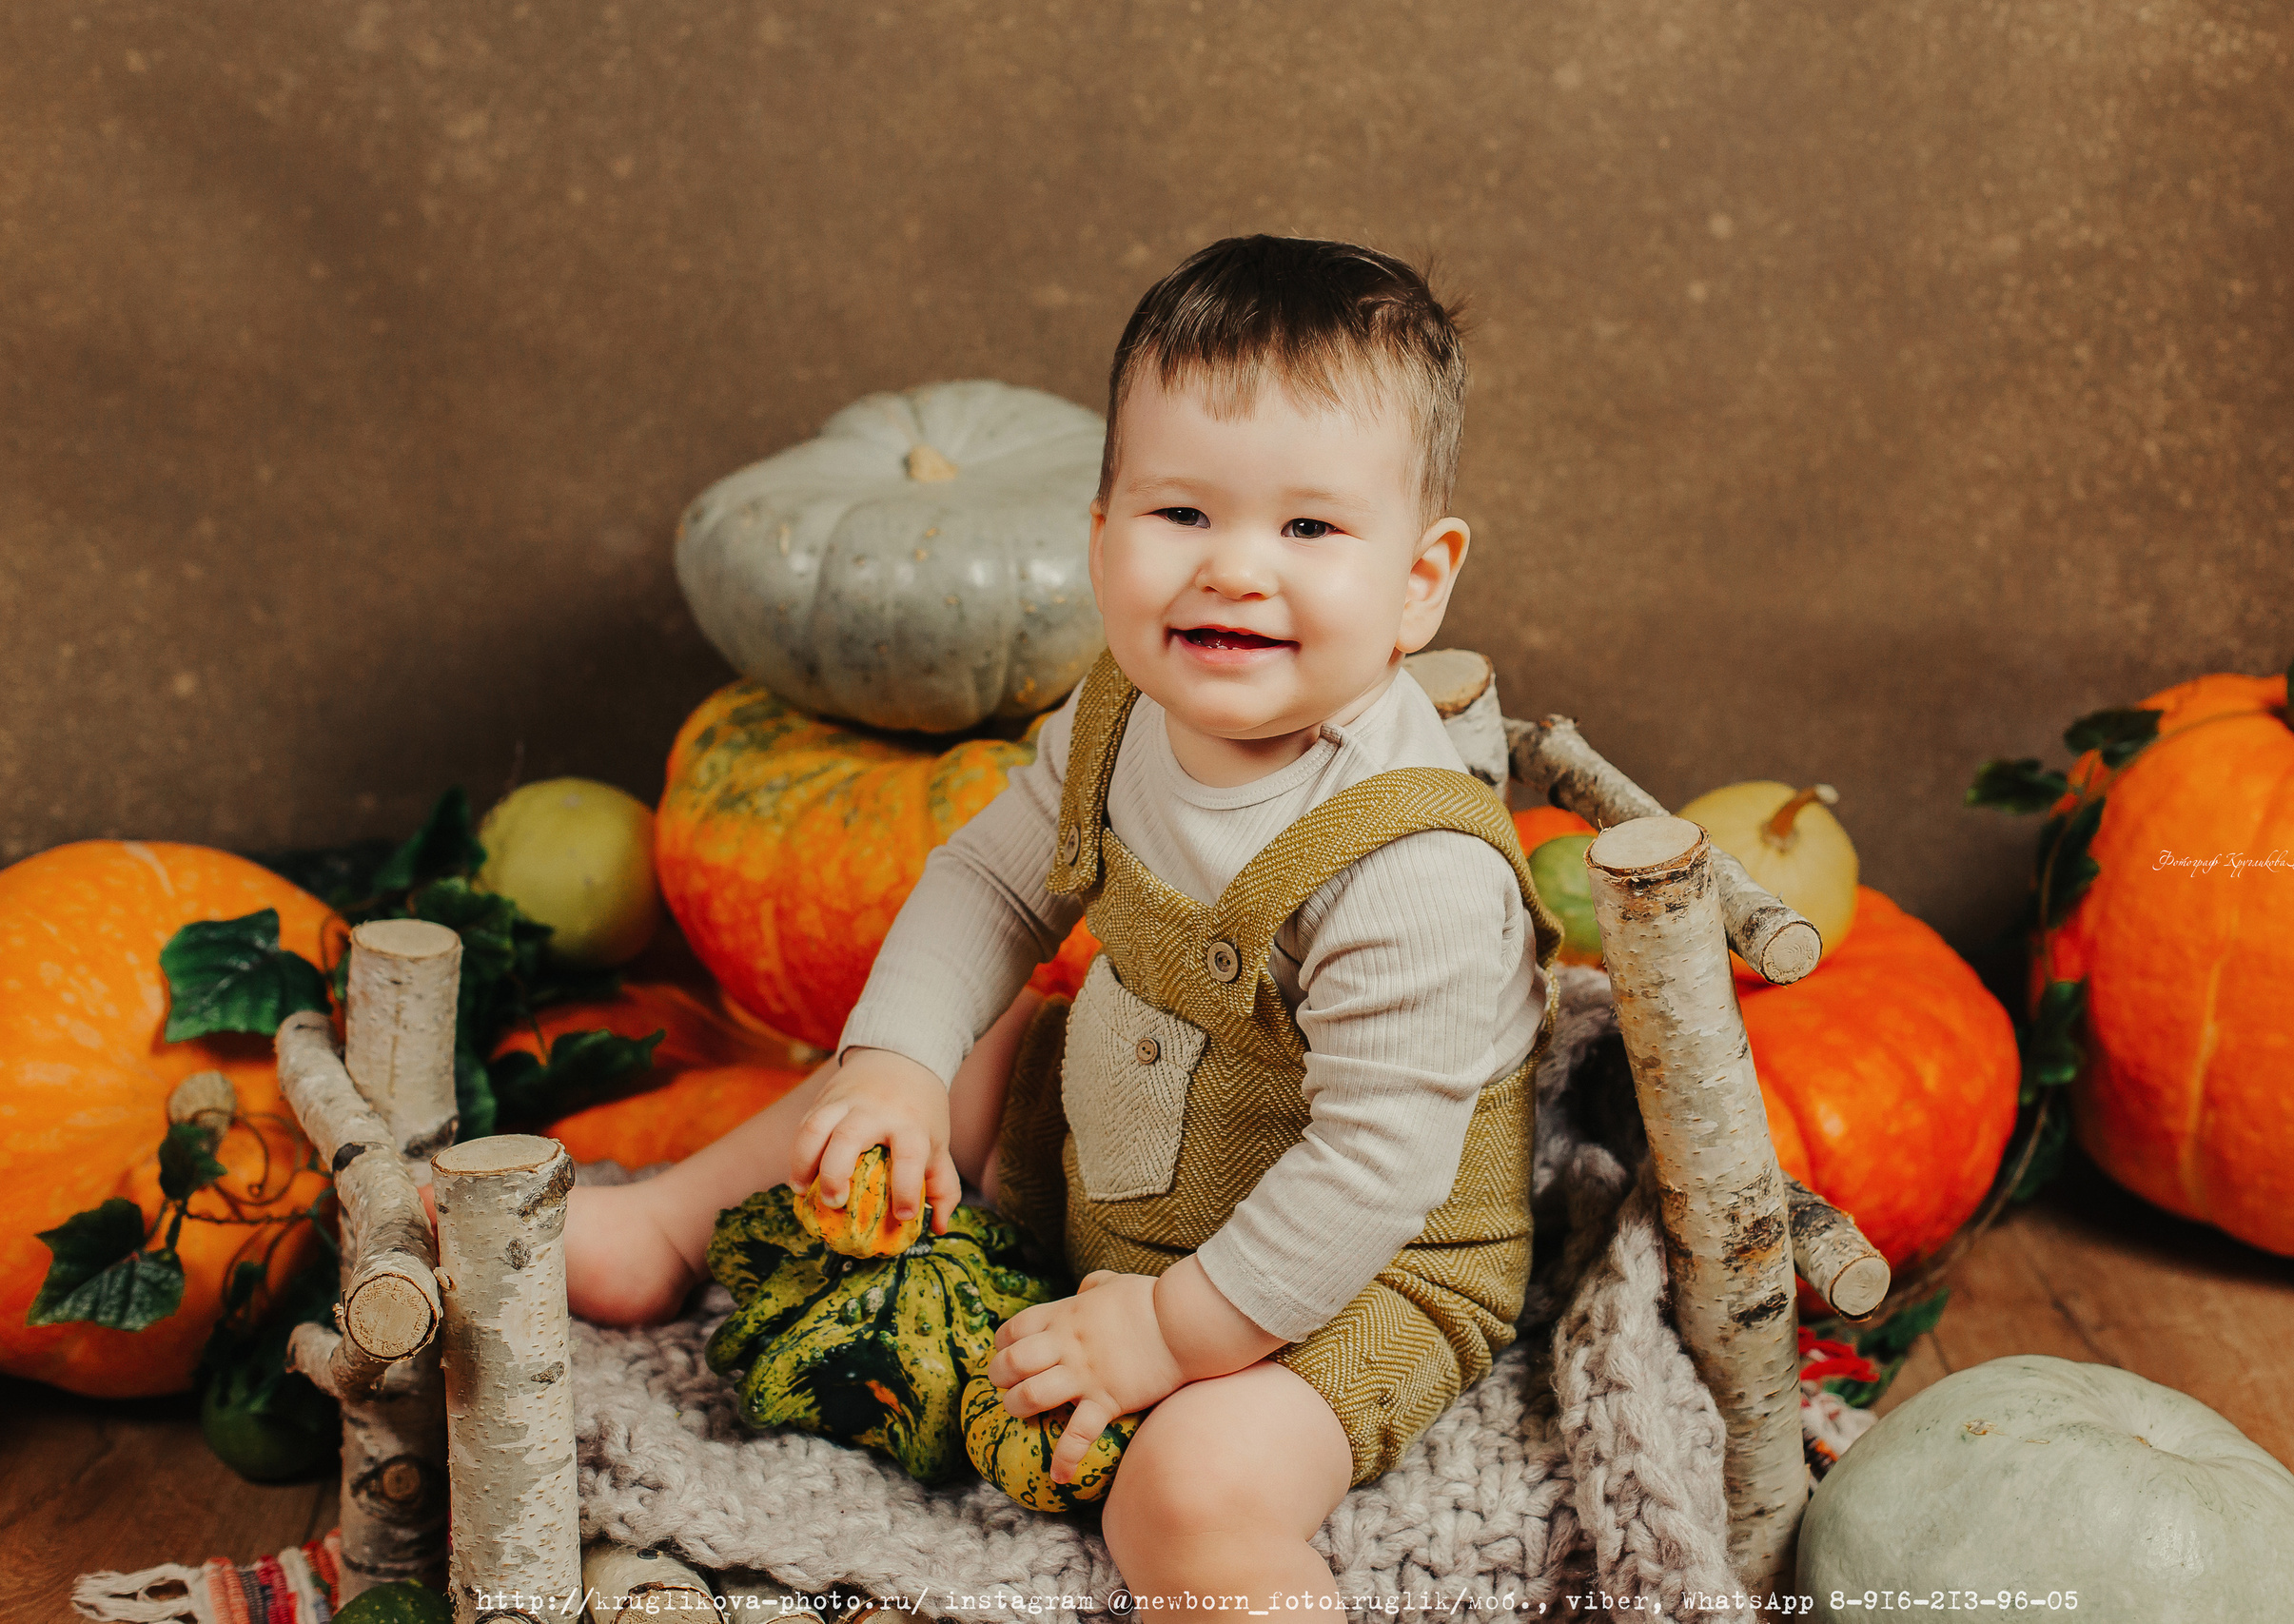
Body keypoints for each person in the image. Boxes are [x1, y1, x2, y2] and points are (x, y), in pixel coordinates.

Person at [564, 234, 1558, 1615]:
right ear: (1099, 544)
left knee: (1188, 1490)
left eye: (1311, 529)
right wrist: (899, 1062)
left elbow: (1376, 1169)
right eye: (1182, 516)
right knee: (931, 1067)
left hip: (1349, 1274)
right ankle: (670, 1223)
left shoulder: (1410, 865)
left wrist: (1169, 1332)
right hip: (1111, 1147)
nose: (1234, 571)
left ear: (1420, 579)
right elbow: (988, 882)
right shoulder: (1115, 717)